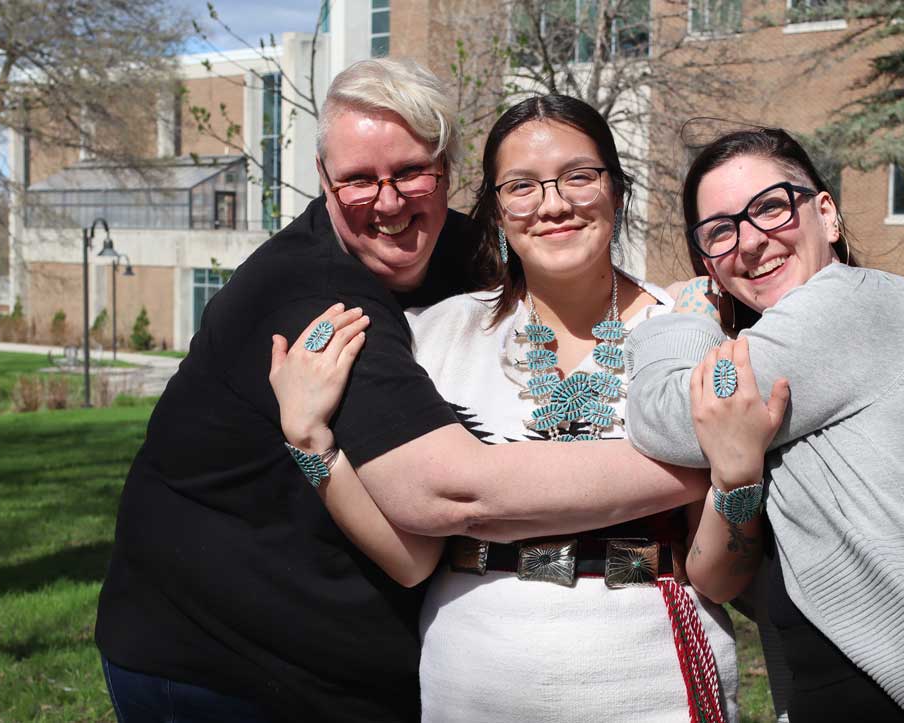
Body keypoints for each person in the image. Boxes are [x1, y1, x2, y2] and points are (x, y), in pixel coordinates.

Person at [96, 59, 713, 722]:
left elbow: (567, 263)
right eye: (359, 179)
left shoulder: (458, 247)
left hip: (348, 659)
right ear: (324, 180)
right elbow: (451, 492)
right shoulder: (319, 300)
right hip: (220, 666)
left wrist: (679, 307)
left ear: (446, 171)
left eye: (411, 172)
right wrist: (702, 458)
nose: (388, 202)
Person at [270, 95, 750, 722]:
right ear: (496, 211)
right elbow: (413, 560)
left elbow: (721, 578)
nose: (552, 204)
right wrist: (310, 444)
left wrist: (739, 480)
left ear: (618, 189)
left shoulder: (686, 334)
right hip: (472, 689)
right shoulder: (431, 337)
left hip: (652, 686)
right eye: (520, 186)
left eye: (579, 176)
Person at [624, 127, 904, 722]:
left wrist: (674, 320)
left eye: (771, 207)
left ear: (827, 215)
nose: (752, 242)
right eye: (721, 230)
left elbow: (666, 416)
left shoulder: (859, 305)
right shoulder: (778, 352)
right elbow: (721, 572)